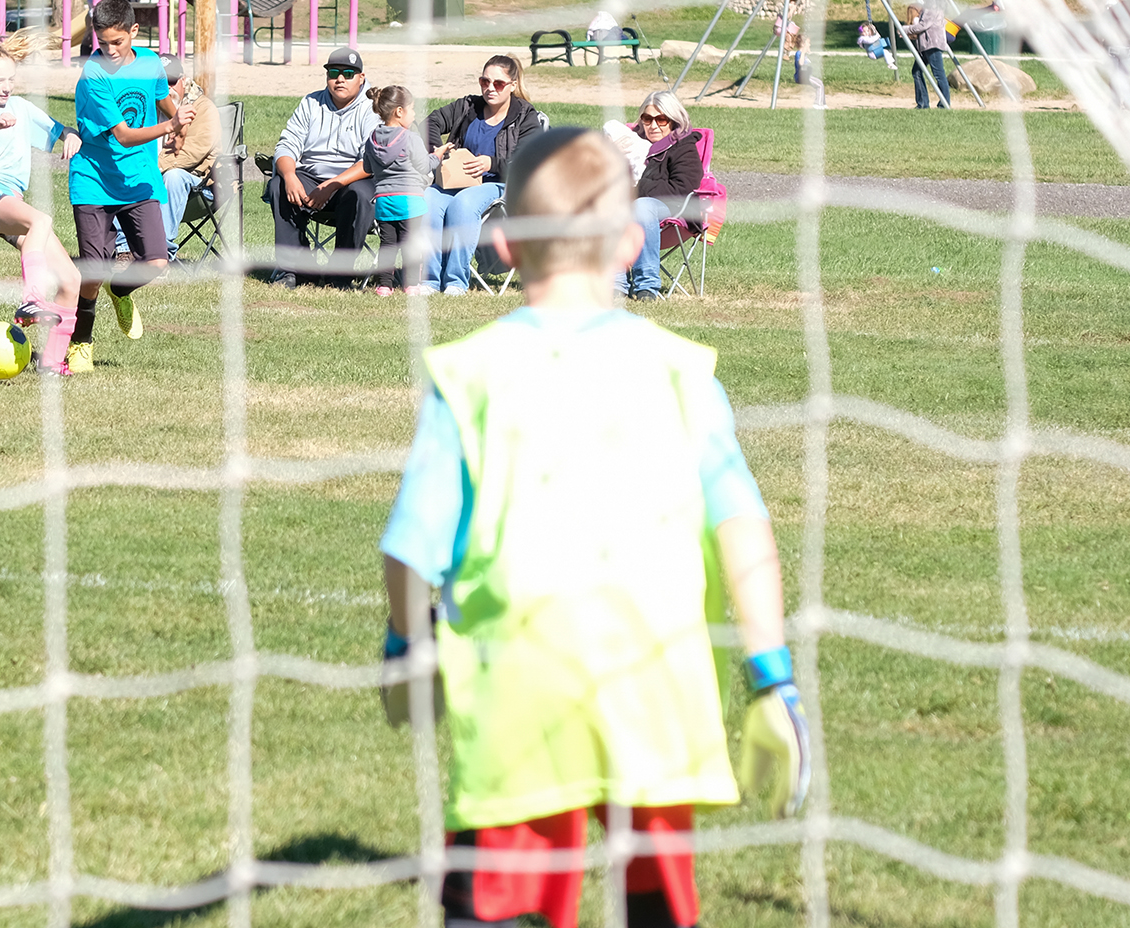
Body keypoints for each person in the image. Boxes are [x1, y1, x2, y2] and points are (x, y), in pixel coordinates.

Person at [378, 126, 810, 928]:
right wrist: (772, 676)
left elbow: (409, 547)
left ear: (503, 242)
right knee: (652, 905)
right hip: (655, 683)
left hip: (518, 685)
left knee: (492, 901)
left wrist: (406, 647)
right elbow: (744, 528)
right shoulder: (684, 373)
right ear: (631, 242)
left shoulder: (469, 373)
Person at [65, 0, 194, 373]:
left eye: (117, 42)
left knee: (156, 261)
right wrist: (170, 126)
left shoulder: (151, 63)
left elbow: (161, 97)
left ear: (134, 31)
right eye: (102, 42)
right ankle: (80, 343)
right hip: (94, 181)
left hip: (139, 180)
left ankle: (120, 291)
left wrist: (179, 125)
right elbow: (122, 136)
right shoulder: (94, 74)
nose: (109, 50)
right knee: (94, 271)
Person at [0, 36, 82, 375]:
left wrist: (70, 134)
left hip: (14, 202)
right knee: (41, 220)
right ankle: (32, 299)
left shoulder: (21, 108)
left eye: (11, 78)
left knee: (71, 279)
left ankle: (52, 363)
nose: (7, 86)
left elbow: (57, 129)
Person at [422, 54, 545, 294]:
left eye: (498, 83)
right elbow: (430, 122)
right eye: (484, 81)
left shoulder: (525, 116)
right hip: (455, 180)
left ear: (512, 85)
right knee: (428, 200)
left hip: (500, 184)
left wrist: (492, 163)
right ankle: (429, 280)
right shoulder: (468, 106)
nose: (490, 88)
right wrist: (439, 150)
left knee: (463, 204)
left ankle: (455, 281)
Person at [265, 46, 379, 288]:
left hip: (352, 180)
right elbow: (286, 145)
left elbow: (370, 161)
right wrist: (290, 176)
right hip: (310, 177)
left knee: (361, 193)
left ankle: (340, 275)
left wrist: (331, 186)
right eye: (333, 73)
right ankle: (296, 271)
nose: (340, 79)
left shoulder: (373, 108)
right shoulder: (311, 103)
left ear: (361, 78)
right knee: (278, 185)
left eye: (348, 73)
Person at [112, 55, 216, 262]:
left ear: (183, 80)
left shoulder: (203, 108)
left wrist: (149, 169)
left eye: (172, 81)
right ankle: (125, 249)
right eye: (160, 82)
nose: (167, 88)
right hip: (150, 181)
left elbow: (192, 153)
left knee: (174, 176)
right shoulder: (142, 107)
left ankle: (161, 254)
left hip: (195, 186)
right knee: (121, 171)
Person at [619, 90, 703, 302]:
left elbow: (682, 188)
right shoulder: (631, 143)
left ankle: (646, 286)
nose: (653, 125)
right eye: (647, 119)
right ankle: (615, 283)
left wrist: (638, 187)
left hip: (674, 210)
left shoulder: (684, 147)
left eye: (661, 119)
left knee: (642, 207)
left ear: (673, 120)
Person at [361, 85, 439, 296]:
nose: (414, 114)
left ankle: (384, 285)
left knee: (387, 245)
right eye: (411, 109)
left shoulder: (372, 139)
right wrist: (438, 156)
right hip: (410, 200)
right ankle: (411, 284)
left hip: (384, 201)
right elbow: (424, 166)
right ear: (399, 111)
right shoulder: (411, 138)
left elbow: (367, 167)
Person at [902, 0, 951, 109]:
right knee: (917, 72)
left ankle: (944, 104)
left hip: (932, 44)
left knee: (938, 74)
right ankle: (923, 103)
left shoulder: (932, 7)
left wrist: (905, 29)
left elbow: (923, 25)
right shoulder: (932, 5)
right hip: (926, 45)